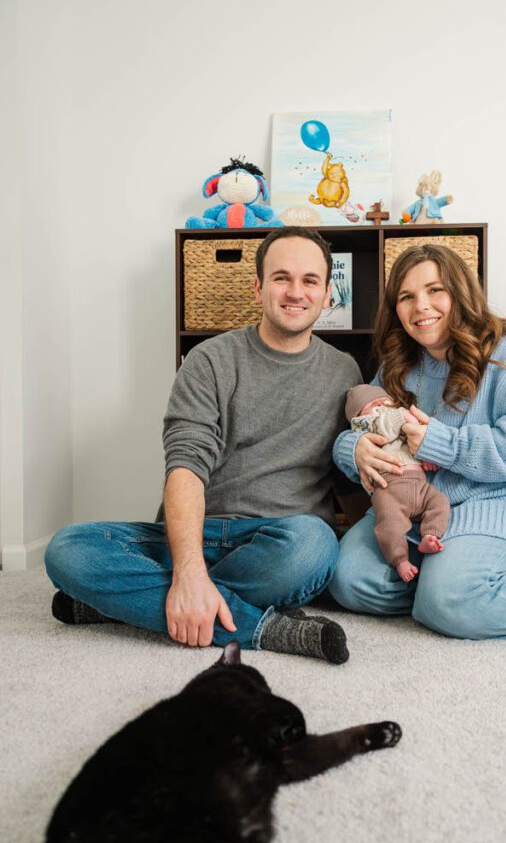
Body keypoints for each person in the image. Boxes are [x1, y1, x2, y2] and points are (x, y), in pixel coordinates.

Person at [45, 227, 362, 663]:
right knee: (67, 549)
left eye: (310, 281)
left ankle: (128, 604)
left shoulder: (345, 373)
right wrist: (189, 568)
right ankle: (263, 628)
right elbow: (184, 466)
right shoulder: (210, 359)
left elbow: (348, 474)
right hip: (194, 532)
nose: (295, 291)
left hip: (281, 539)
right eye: (281, 277)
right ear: (258, 287)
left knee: (315, 546)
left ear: (327, 294)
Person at [329, 244, 506, 640]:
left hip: (504, 503)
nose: (421, 306)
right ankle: (465, 582)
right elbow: (362, 427)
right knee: (351, 581)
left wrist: (437, 442)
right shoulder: (399, 364)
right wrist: (354, 450)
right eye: (406, 297)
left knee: (448, 600)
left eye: (435, 290)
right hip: (420, 510)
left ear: (460, 292)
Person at [345, 383, 450, 582]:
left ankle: (430, 534)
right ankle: (400, 560)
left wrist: (427, 457)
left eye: (385, 401)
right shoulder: (369, 425)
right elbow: (388, 425)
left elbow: (413, 443)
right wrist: (402, 415)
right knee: (389, 525)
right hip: (388, 488)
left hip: (420, 485)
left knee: (439, 502)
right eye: (373, 405)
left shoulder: (397, 432)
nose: (382, 405)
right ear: (358, 417)